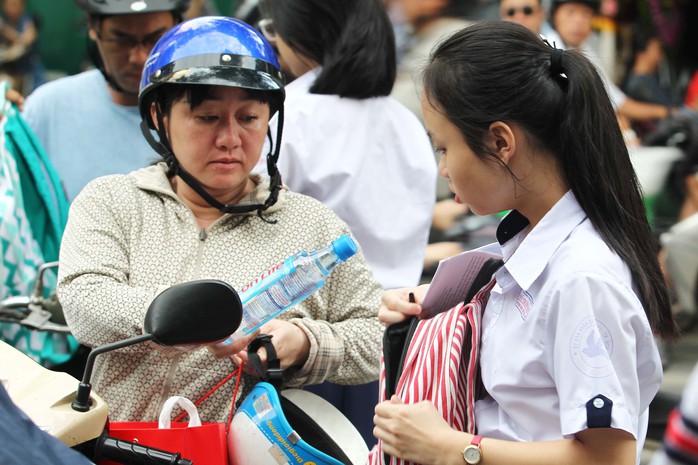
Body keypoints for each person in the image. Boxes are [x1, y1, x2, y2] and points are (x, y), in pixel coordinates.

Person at [372, 21, 677, 465]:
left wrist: (450, 448)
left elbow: (607, 458)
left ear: (500, 141)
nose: (442, 168)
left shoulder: (581, 279)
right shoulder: (533, 242)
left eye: (443, 147)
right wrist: (429, 304)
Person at [57, 16, 384, 424]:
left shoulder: (313, 226)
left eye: (248, 118)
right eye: (208, 118)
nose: (230, 138)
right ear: (160, 117)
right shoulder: (113, 200)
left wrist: (305, 342)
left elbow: (376, 337)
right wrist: (196, 316)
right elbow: (83, 298)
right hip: (113, 445)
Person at [256, 0, 436, 446]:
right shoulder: (404, 121)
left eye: (272, 31)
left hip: (307, 345)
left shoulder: (289, 117)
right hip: (393, 337)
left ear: (302, 35)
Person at [22, 0, 189, 201]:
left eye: (155, 39)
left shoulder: (209, 114)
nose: (138, 57)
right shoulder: (47, 108)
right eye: (121, 40)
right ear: (93, 28)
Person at [547, 0, 674, 125]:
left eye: (586, 14)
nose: (579, 20)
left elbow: (614, 99)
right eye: (570, 12)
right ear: (554, 16)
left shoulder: (587, 52)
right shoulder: (545, 50)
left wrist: (667, 112)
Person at [0, 0, 44, 94]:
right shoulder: (3, 20)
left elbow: (26, 40)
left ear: (22, 6)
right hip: (8, 68)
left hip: (29, 67)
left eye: (15, 4)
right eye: (9, 4)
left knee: (37, 92)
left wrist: (5, 30)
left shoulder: (29, 21)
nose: (12, 8)